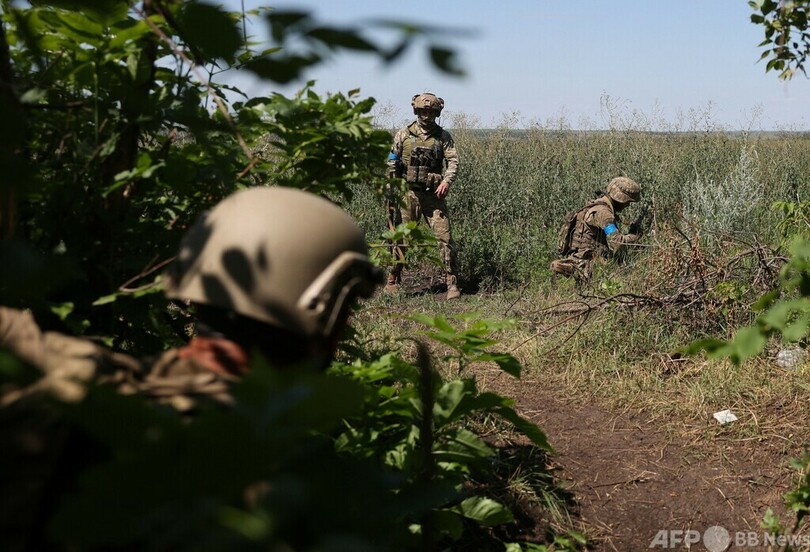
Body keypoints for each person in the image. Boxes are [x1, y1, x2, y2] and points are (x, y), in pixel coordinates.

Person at [0, 186, 382, 549]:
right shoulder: (268, 495)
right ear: (325, 319)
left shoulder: (63, 370)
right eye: (346, 308)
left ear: (197, 295)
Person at [384, 92, 461, 299]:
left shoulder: (443, 137)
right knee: (402, 238)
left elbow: (453, 161)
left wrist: (446, 181)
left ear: (436, 113)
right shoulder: (404, 134)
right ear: (416, 111)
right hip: (408, 194)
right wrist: (392, 183)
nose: (427, 115)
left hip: (433, 196)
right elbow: (392, 160)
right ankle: (393, 278)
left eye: (431, 112)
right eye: (423, 111)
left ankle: (452, 282)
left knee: (445, 238)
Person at [550, 176, 643, 284]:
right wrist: (634, 235)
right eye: (627, 201)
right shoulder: (604, 214)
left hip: (577, 256)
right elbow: (617, 242)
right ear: (620, 198)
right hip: (590, 263)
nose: (627, 205)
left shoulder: (593, 206)